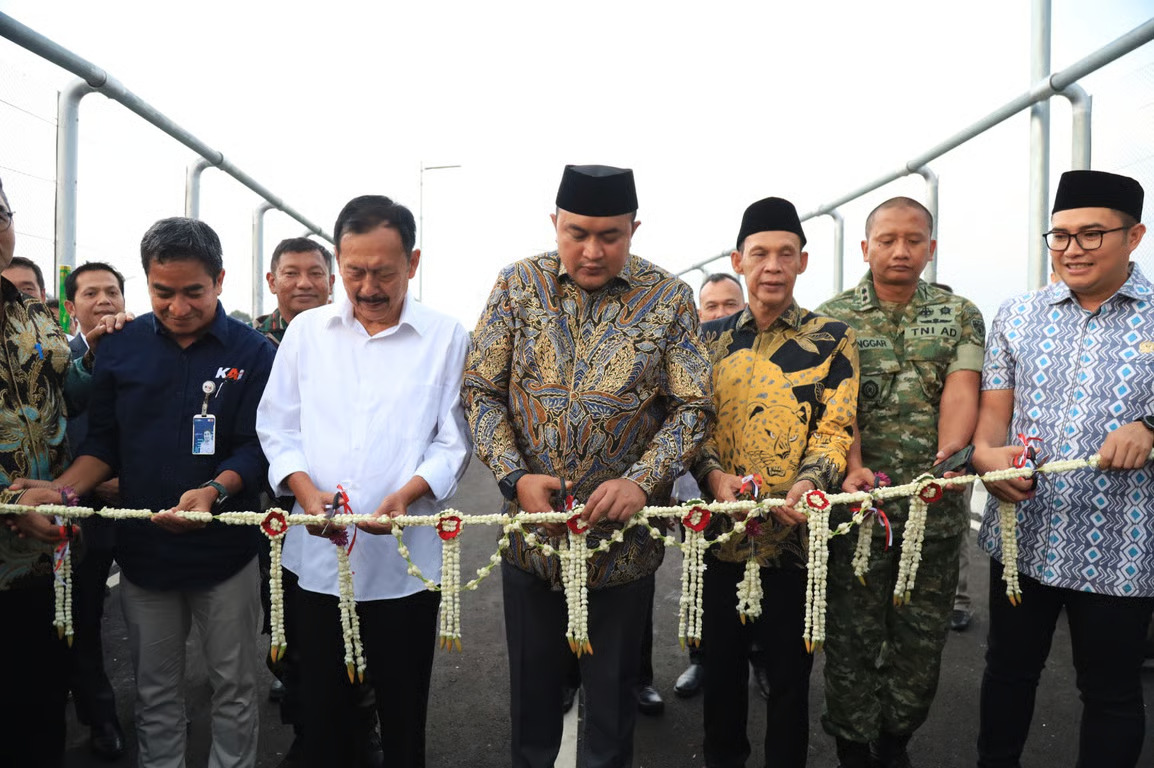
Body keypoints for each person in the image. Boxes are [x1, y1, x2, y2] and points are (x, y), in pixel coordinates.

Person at [463, 164, 713, 768]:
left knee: (610, 709)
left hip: (621, 546)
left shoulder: (669, 299)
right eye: (577, 233)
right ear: (555, 223)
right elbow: (480, 389)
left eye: (611, 235)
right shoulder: (516, 286)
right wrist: (514, 478)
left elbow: (695, 406)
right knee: (533, 702)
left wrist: (641, 480)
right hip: (531, 540)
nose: (593, 250)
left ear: (634, 229)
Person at [19, 217, 275, 768]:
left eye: (193, 293)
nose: (178, 307)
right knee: (156, 690)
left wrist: (213, 491)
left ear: (221, 280)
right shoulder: (121, 349)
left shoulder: (255, 353)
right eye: (163, 293)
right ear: (147, 283)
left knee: (233, 684)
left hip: (224, 555)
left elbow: (257, 448)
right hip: (143, 554)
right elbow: (103, 444)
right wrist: (61, 492)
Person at [258, 195, 470, 768]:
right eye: (354, 271)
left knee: (403, 715)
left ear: (414, 262)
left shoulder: (446, 337)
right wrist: (304, 491)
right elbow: (277, 427)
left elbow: (452, 440)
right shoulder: (307, 332)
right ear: (338, 261)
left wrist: (408, 493)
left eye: (384, 272)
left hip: (406, 563)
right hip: (318, 559)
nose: (369, 287)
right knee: (323, 714)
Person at [972, 169, 1153, 768]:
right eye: (1060, 235)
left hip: (1122, 546)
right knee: (1007, 675)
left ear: (1135, 237)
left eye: (1092, 234)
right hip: (1025, 533)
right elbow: (992, 416)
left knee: (1111, 694)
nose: (1072, 249)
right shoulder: (1018, 315)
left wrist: (1149, 428)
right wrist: (987, 458)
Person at [816, 197, 984, 768]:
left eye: (914, 240)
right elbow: (837, 413)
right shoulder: (832, 318)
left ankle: (896, 741)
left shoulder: (959, 312)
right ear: (866, 248)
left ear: (930, 248)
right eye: (887, 239)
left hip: (933, 509)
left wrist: (950, 458)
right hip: (860, 511)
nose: (900, 250)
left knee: (919, 639)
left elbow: (962, 387)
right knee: (853, 636)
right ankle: (852, 747)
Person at [694, 196, 858, 768]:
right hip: (720, 534)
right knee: (722, 673)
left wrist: (808, 487)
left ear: (802, 262)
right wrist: (715, 479)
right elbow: (693, 423)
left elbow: (836, 429)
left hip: (797, 535)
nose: (772, 265)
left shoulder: (834, 338)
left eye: (785, 253)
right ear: (738, 260)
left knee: (790, 677)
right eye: (759, 253)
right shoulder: (707, 339)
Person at [0, 174, 95, 768]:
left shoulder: (35, 319)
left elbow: (76, 396)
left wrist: (107, 355)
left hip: (47, 560)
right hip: (17, 530)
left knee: (37, 710)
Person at [674, 271, 771, 702]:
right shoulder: (689, 353)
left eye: (729, 304)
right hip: (698, 495)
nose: (720, 313)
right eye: (710, 306)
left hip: (755, 489)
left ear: (744, 306)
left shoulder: (761, 353)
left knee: (760, 574)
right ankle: (701, 660)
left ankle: (761, 660)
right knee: (700, 578)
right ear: (699, 313)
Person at [62, 261, 129, 759]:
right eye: (91, 292)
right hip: (67, 509)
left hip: (129, 508)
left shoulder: (141, 350)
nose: (103, 300)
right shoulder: (52, 363)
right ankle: (98, 716)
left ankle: (139, 708)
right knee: (78, 619)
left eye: (112, 291)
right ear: (71, 305)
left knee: (125, 617)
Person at [254, 236, 335, 344]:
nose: (304, 284)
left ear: (330, 283)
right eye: (291, 273)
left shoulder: (352, 338)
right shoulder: (247, 340)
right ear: (272, 282)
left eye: (316, 273)